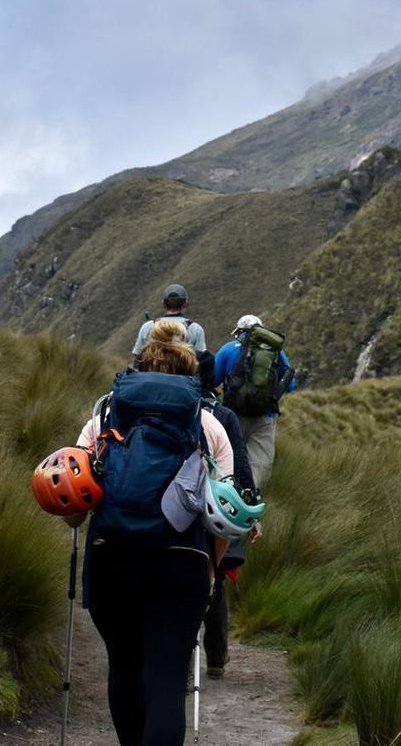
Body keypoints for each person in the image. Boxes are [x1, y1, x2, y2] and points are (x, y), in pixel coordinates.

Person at [73, 320, 232, 746]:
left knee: (124, 666)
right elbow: (223, 515)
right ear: (188, 375)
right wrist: (212, 571)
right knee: (165, 679)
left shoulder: (102, 418)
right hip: (181, 561)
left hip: (111, 558)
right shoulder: (208, 426)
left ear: (138, 368)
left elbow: (76, 505)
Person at [201, 393, 261, 679]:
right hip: (212, 508)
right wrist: (252, 511)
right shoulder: (222, 416)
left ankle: (180, 664)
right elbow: (240, 465)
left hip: (168, 509)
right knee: (214, 577)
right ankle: (215, 657)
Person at [213, 314, 295, 487]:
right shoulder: (276, 352)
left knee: (228, 460)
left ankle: (226, 501)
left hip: (233, 415)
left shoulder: (228, 349)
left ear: (240, 331)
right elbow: (290, 385)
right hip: (265, 417)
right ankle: (252, 501)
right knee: (258, 466)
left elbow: (212, 380)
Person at [133, 283, 207, 358]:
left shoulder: (147, 326)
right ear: (185, 304)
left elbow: (138, 355)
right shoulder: (195, 329)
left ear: (163, 304)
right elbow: (202, 359)